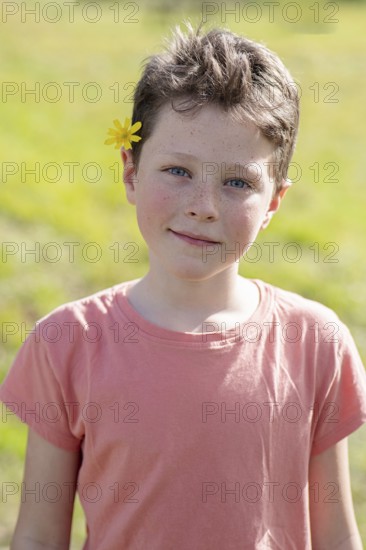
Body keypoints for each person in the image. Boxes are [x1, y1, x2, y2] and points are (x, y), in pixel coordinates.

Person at [1, 21, 366, 550]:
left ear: (274, 204)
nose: (203, 206)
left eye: (237, 182)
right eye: (177, 171)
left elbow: (337, 536)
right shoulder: (67, 343)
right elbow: (37, 537)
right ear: (130, 171)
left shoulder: (316, 343)